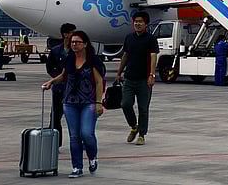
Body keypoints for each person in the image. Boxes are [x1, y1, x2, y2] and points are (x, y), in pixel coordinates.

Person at [42, 30, 105, 178]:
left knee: (86, 134)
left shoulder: (93, 60)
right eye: (72, 42)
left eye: (77, 42)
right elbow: (64, 75)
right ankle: (77, 167)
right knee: (74, 136)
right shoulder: (69, 59)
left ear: (85, 44)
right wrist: (52, 82)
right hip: (70, 102)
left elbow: (99, 81)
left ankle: (92, 156)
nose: (74, 45)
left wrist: (98, 102)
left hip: (88, 102)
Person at [115, 11, 159, 145]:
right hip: (129, 78)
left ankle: (142, 134)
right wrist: (119, 72)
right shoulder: (129, 38)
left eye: (140, 22)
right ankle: (134, 126)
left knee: (143, 108)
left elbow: (153, 57)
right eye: (136, 21)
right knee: (125, 104)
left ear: (146, 24)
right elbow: (125, 55)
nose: (137, 24)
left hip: (144, 80)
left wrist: (151, 75)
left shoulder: (151, 39)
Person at [46, 22, 76, 148]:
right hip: (59, 88)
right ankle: (54, 142)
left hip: (74, 88)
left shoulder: (77, 50)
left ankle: (79, 140)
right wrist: (56, 77)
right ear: (65, 34)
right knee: (55, 116)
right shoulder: (55, 51)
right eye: (72, 33)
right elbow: (49, 67)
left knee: (75, 116)